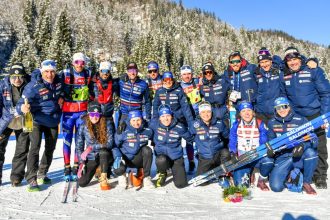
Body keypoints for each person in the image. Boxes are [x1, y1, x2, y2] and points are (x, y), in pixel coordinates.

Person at [281, 46, 330, 189]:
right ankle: (301, 172)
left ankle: (320, 176)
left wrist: (324, 117)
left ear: (300, 58)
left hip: (315, 115)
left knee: (319, 146)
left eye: (295, 59)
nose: (292, 62)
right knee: (298, 145)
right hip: (297, 117)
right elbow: (284, 96)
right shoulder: (285, 75)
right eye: (289, 60)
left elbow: (326, 94)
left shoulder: (312, 70)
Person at [17, 60, 62, 192]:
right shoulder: (33, 86)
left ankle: (43, 172)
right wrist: (22, 108)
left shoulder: (59, 81)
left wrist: (63, 96)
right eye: (46, 72)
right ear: (42, 71)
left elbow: (65, 90)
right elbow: (21, 102)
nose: (50, 74)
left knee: (50, 148)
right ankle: (31, 178)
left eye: (52, 71)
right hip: (37, 120)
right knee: (35, 147)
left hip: (53, 120)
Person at [267, 97, 318, 194]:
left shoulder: (301, 120)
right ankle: (291, 173)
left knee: (311, 153)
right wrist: (270, 149)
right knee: (276, 187)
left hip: (298, 156)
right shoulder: (272, 122)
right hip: (283, 158)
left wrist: (303, 146)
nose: (282, 110)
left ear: (289, 107)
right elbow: (270, 141)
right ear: (275, 110)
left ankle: (306, 182)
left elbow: (313, 141)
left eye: (284, 106)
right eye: (278, 108)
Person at [152, 71, 195, 172]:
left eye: (170, 80)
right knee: (163, 141)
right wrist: (154, 121)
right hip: (165, 120)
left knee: (186, 139)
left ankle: (190, 161)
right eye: (165, 80)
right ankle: (165, 164)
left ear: (173, 80)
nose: (168, 82)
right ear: (162, 81)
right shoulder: (159, 91)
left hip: (178, 120)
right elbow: (155, 107)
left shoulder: (178, 91)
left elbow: (186, 108)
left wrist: (190, 122)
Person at [60, 52, 94, 180]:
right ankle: (66, 166)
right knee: (67, 139)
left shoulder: (88, 74)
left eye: (82, 62)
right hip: (68, 113)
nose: (80, 65)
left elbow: (93, 89)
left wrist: (91, 97)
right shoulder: (65, 73)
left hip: (82, 113)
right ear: (72, 62)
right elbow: (55, 84)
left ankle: (76, 165)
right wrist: (61, 96)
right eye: (77, 62)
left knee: (79, 140)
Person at [229, 101, 274, 191]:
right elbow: (232, 139)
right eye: (243, 111)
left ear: (253, 112)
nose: (247, 113)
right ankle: (249, 172)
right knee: (241, 187)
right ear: (240, 114)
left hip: (257, 155)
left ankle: (261, 180)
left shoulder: (259, 123)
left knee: (269, 161)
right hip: (243, 157)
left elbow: (264, 139)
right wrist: (233, 153)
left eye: (249, 110)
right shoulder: (236, 124)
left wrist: (265, 150)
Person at [149, 105, 194, 188]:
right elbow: (142, 129)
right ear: (159, 118)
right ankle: (162, 172)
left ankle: (175, 170)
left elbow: (191, 138)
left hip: (176, 157)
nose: (165, 119)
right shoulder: (154, 124)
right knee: (161, 160)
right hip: (162, 157)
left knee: (181, 184)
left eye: (168, 116)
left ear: (172, 116)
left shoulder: (179, 126)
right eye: (162, 116)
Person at [0, 63, 30, 186]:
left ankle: (16, 177)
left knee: (22, 149)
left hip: (23, 121)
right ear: (9, 77)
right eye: (14, 77)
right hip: (6, 120)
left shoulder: (29, 85)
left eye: (20, 77)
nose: (17, 80)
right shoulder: (2, 85)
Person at [76, 102, 115, 190]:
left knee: (103, 152)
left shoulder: (107, 123)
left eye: (97, 114)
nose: (94, 117)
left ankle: (104, 178)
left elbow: (110, 143)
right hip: (92, 156)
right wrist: (81, 161)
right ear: (88, 114)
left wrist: (92, 147)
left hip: (105, 155)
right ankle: (97, 168)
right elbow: (79, 145)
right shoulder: (83, 125)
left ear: (100, 114)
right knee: (82, 183)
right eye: (92, 114)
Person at [113, 110, 154, 189]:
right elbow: (115, 145)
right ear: (129, 120)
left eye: (138, 120)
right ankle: (122, 175)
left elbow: (155, 139)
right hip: (125, 158)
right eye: (133, 120)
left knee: (147, 150)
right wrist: (118, 156)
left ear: (142, 120)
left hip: (137, 158)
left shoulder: (147, 131)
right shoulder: (123, 130)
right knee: (119, 169)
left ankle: (146, 178)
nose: (136, 123)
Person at [189, 102, 230, 177]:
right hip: (205, 157)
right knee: (203, 182)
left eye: (208, 112)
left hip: (218, 154)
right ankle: (212, 167)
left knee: (225, 153)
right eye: (203, 112)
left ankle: (224, 171)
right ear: (200, 114)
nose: (206, 114)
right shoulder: (195, 125)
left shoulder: (219, 123)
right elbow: (189, 137)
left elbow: (227, 136)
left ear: (211, 112)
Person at [254, 47, 285, 124]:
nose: (264, 64)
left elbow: (283, 90)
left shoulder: (278, 71)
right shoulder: (256, 74)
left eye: (266, 61)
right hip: (261, 112)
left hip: (277, 111)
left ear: (271, 61)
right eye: (262, 62)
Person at [118, 62, 151, 131]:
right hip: (124, 113)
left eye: (134, 70)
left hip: (137, 113)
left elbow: (147, 101)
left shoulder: (143, 84)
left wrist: (147, 116)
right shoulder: (121, 81)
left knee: (138, 135)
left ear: (137, 71)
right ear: (127, 72)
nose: (132, 73)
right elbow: (110, 83)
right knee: (121, 134)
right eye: (130, 71)